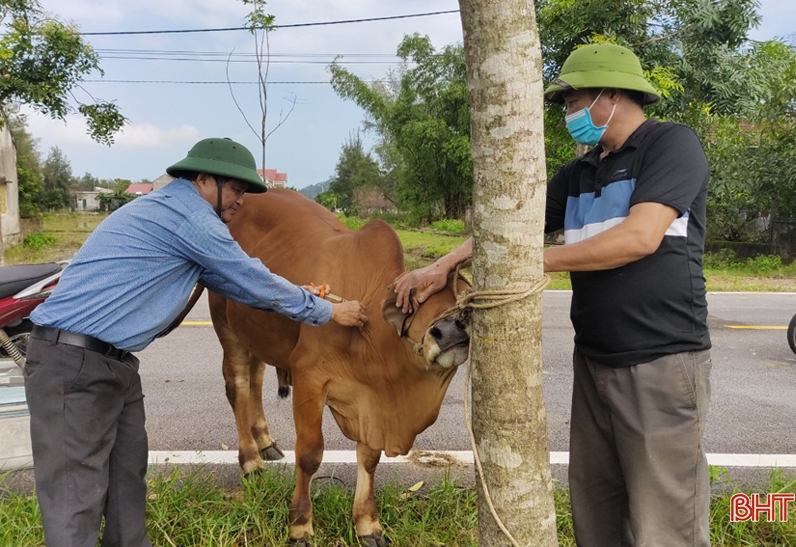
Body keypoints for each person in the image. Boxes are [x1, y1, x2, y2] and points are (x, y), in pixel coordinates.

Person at [394, 42, 712, 547]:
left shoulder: (670, 145)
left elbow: (640, 237)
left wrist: (530, 261)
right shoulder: (579, 172)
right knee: (596, 502)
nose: (567, 113)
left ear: (611, 95)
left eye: (572, 100)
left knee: (664, 515)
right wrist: (445, 264)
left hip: (661, 358)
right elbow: (508, 228)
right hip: (594, 358)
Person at [23, 137, 369, 547]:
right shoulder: (189, 217)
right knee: (74, 507)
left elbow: (232, 282)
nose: (242, 200)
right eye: (237, 189)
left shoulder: (173, 215)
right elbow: (250, 277)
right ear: (203, 179)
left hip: (113, 365)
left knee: (126, 488)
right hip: (73, 365)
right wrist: (329, 311)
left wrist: (300, 292)